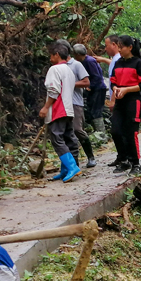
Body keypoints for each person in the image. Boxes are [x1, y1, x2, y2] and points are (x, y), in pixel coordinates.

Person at [40, 43, 82, 182]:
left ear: (56, 54)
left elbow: (53, 90)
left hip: (59, 109)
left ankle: (72, 167)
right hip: (69, 109)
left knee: (57, 139)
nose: (50, 58)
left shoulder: (54, 69)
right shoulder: (68, 70)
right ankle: (65, 170)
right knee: (68, 137)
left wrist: (46, 107)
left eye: (51, 55)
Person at [108, 35, 141, 176]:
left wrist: (126, 89)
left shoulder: (138, 63)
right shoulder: (118, 63)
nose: (119, 50)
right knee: (116, 131)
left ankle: (135, 163)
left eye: (121, 47)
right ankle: (123, 159)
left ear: (130, 47)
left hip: (134, 100)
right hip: (120, 101)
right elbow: (113, 81)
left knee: (131, 133)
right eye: (118, 47)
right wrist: (115, 89)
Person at [57, 42, 96, 168]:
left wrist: (70, 83)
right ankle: (72, 163)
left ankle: (90, 156)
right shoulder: (57, 66)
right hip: (62, 103)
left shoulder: (76, 65)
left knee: (78, 130)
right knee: (65, 133)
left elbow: (86, 82)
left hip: (75, 102)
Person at [95, 35, 125, 164]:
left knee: (118, 130)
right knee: (117, 129)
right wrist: (102, 59)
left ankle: (124, 157)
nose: (105, 48)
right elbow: (112, 63)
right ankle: (121, 156)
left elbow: (117, 82)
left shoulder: (119, 60)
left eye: (106, 45)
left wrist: (113, 100)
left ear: (114, 45)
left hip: (117, 98)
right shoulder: (115, 59)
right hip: (117, 97)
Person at [72, 44, 106, 134]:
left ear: (77, 54)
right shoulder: (83, 62)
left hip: (98, 89)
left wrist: (89, 87)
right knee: (91, 110)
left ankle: (101, 133)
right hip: (93, 89)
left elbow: (97, 77)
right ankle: (97, 132)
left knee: (96, 111)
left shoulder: (89, 61)